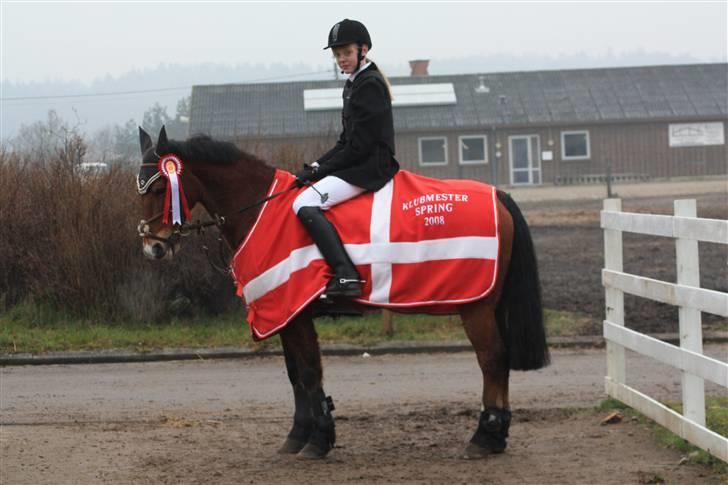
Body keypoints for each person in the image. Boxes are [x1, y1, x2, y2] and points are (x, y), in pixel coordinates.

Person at [293, 19, 399, 298]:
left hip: (370, 167)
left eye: (346, 53)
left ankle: (346, 275)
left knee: (305, 202)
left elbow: (359, 147)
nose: (342, 59)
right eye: (337, 54)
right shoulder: (354, 84)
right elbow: (345, 141)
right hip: (360, 160)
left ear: (363, 50)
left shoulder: (369, 85)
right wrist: (315, 166)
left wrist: (320, 173)